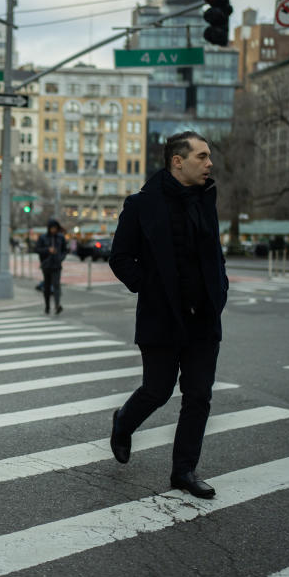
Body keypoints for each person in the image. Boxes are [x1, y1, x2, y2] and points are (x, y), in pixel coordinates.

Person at [108, 131, 228, 499]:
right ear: (178, 161)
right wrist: (150, 287)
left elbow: (212, 254)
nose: (209, 164)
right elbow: (120, 257)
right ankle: (123, 422)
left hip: (203, 318)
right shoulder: (142, 204)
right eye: (202, 156)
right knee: (157, 390)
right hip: (162, 317)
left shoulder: (206, 198)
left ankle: (184, 471)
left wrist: (219, 289)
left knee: (198, 395)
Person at [34, 219, 68, 315]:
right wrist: (48, 250)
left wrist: (60, 258)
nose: (53, 230)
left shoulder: (61, 237)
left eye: (55, 228)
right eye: (52, 228)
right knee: (47, 286)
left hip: (57, 265)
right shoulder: (43, 237)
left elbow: (65, 250)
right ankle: (47, 306)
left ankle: (57, 305)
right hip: (46, 265)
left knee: (56, 285)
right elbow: (36, 249)